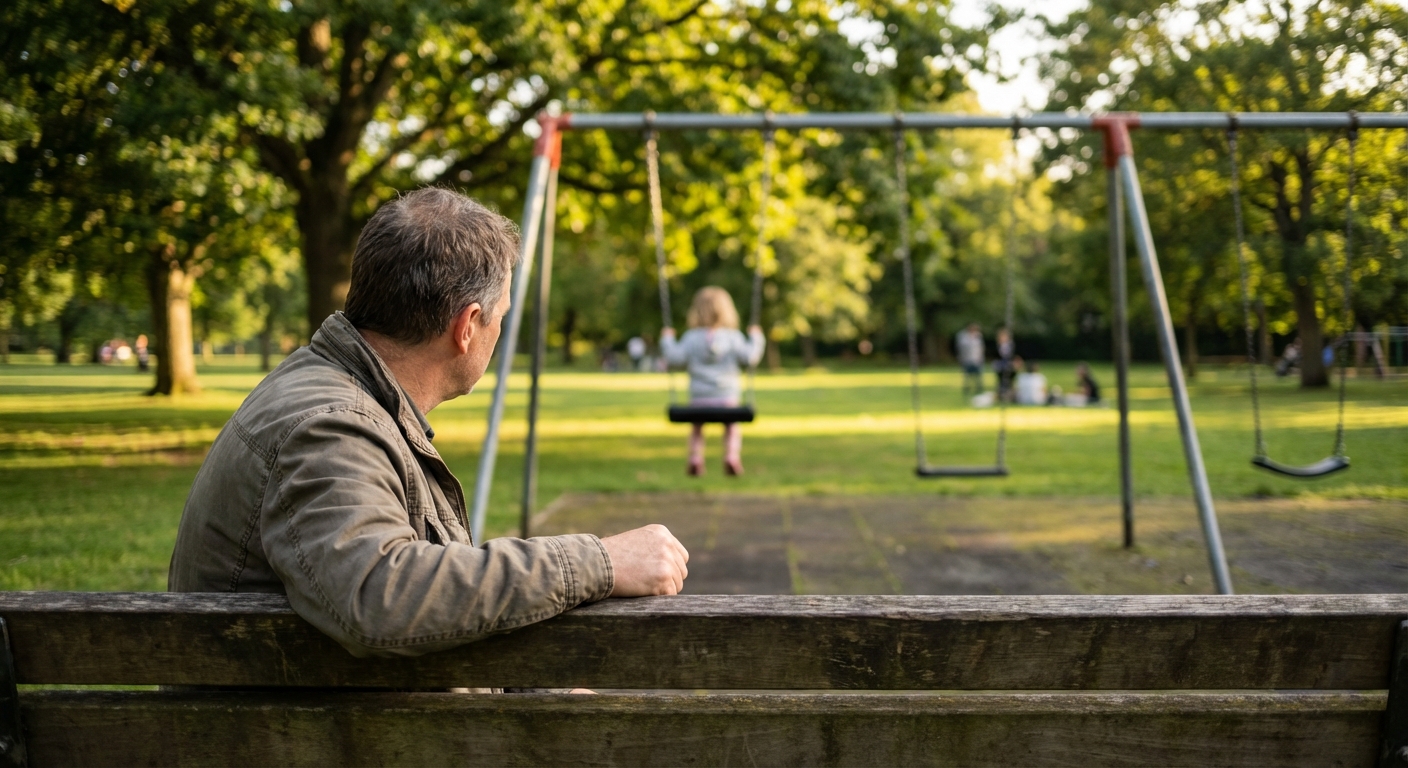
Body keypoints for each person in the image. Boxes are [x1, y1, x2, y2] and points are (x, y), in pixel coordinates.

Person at [168, 188, 689, 661]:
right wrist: (598, 562)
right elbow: (378, 594)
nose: (498, 332)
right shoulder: (331, 427)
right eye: (499, 318)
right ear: (466, 327)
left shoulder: (334, 393)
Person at [661, 287, 765, 477]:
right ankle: (731, 456)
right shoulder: (733, 337)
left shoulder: (691, 338)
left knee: (697, 429)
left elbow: (674, 358)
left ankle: (695, 458)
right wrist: (757, 337)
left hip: (699, 398)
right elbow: (750, 358)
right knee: (731, 427)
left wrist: (667, 340)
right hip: (727, 397)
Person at [955, 322, 985, 395]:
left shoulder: (978, 336)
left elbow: (981, 347)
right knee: (967, 375)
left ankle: (978, 388)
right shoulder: (963, 336)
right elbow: (961, 348)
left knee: (978, 375)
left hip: (977, 359)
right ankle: (967, 388)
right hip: (967, 359)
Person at [993, 327, 1016, 402]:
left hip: (1009, 365)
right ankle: (1001, 395)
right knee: (1001, 381)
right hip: (1000, 366)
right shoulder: (997, 346)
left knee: (1010, 380)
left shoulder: (1011, 345)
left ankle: (1010, 395)